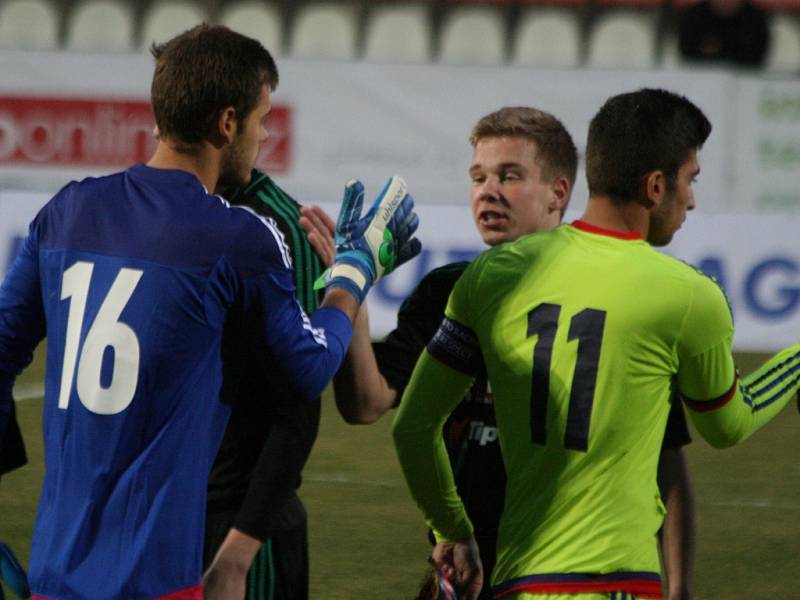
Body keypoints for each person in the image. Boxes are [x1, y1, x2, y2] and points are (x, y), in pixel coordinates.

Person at [0, 24, 420, 599]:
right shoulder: (237, 236)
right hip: (158, 582)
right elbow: (307, 368)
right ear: (227, 124)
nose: (264, 135)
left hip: (53, 575)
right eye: (261, 120)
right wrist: (352, 273)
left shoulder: (67, 209)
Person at [392, 88, 800, 600]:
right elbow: (726, 424)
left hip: (516, 582)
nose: (693, 199)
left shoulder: (491, 275)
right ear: (656, 186)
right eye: (690, 179)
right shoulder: (690, 295)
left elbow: (412, 426)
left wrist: (452, 528)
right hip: (617, 583)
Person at [332, 106, 694, 599]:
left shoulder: (623, 298)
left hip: (574, 582)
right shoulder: (448, 292)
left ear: (558, 194)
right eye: (478, 177)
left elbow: (667, 468)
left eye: (509, 176)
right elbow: (365, 403)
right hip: (464, 576)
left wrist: (680, 589)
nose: (488, 190)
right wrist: (354, 287)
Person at [202, 168, 326, 600]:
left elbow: (299, 405)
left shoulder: (283, 225)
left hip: (241, 528)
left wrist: (239, 552)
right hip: (167, 517)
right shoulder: (162, 207)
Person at [678, 0, 770, 68]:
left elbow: (758, 56)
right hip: (701, 75)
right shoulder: (693, 16)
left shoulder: (755, 18)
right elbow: (687, 53)